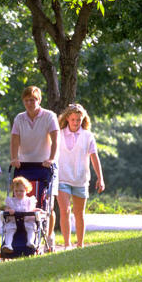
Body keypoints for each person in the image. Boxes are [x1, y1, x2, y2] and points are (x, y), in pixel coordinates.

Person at [10, 85, 59, 251]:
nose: (29, 103)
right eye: (26, 100)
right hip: (24, 164)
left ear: (39, 100)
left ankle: (48, 236)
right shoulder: (19, 118)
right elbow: (14, 139)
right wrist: (14, 158)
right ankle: (21, 240)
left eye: (32, 100)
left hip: (45, 164)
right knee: (21, 203)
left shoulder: (49, 116)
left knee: (47, 204)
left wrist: (51, 158)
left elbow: (55, 138)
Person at [57, 103, 105, 250]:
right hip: (62, 177)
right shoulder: (58, 134)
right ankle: (66, 244)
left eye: (78, 119)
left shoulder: (88, 136)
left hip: (81, 179)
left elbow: (94, 157)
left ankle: (80, 244)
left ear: (83, 119)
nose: (76, 122)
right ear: (67, 119)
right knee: (65, 211)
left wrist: (100, 178)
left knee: (79, 213)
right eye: (73, 119)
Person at [2, 176, 43, 252]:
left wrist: (37, 210)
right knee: (9, 230)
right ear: (13, 191)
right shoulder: (11, 201)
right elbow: (6, 209)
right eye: (16, 191)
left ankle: (30, 242)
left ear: (26, 190)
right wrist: (9, 210)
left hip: (27, 221)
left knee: (31, 228)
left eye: (21, 191)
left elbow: (32, 209)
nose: (18, 193)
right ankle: (8, 245)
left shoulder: (29, 200)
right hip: (14, 221)